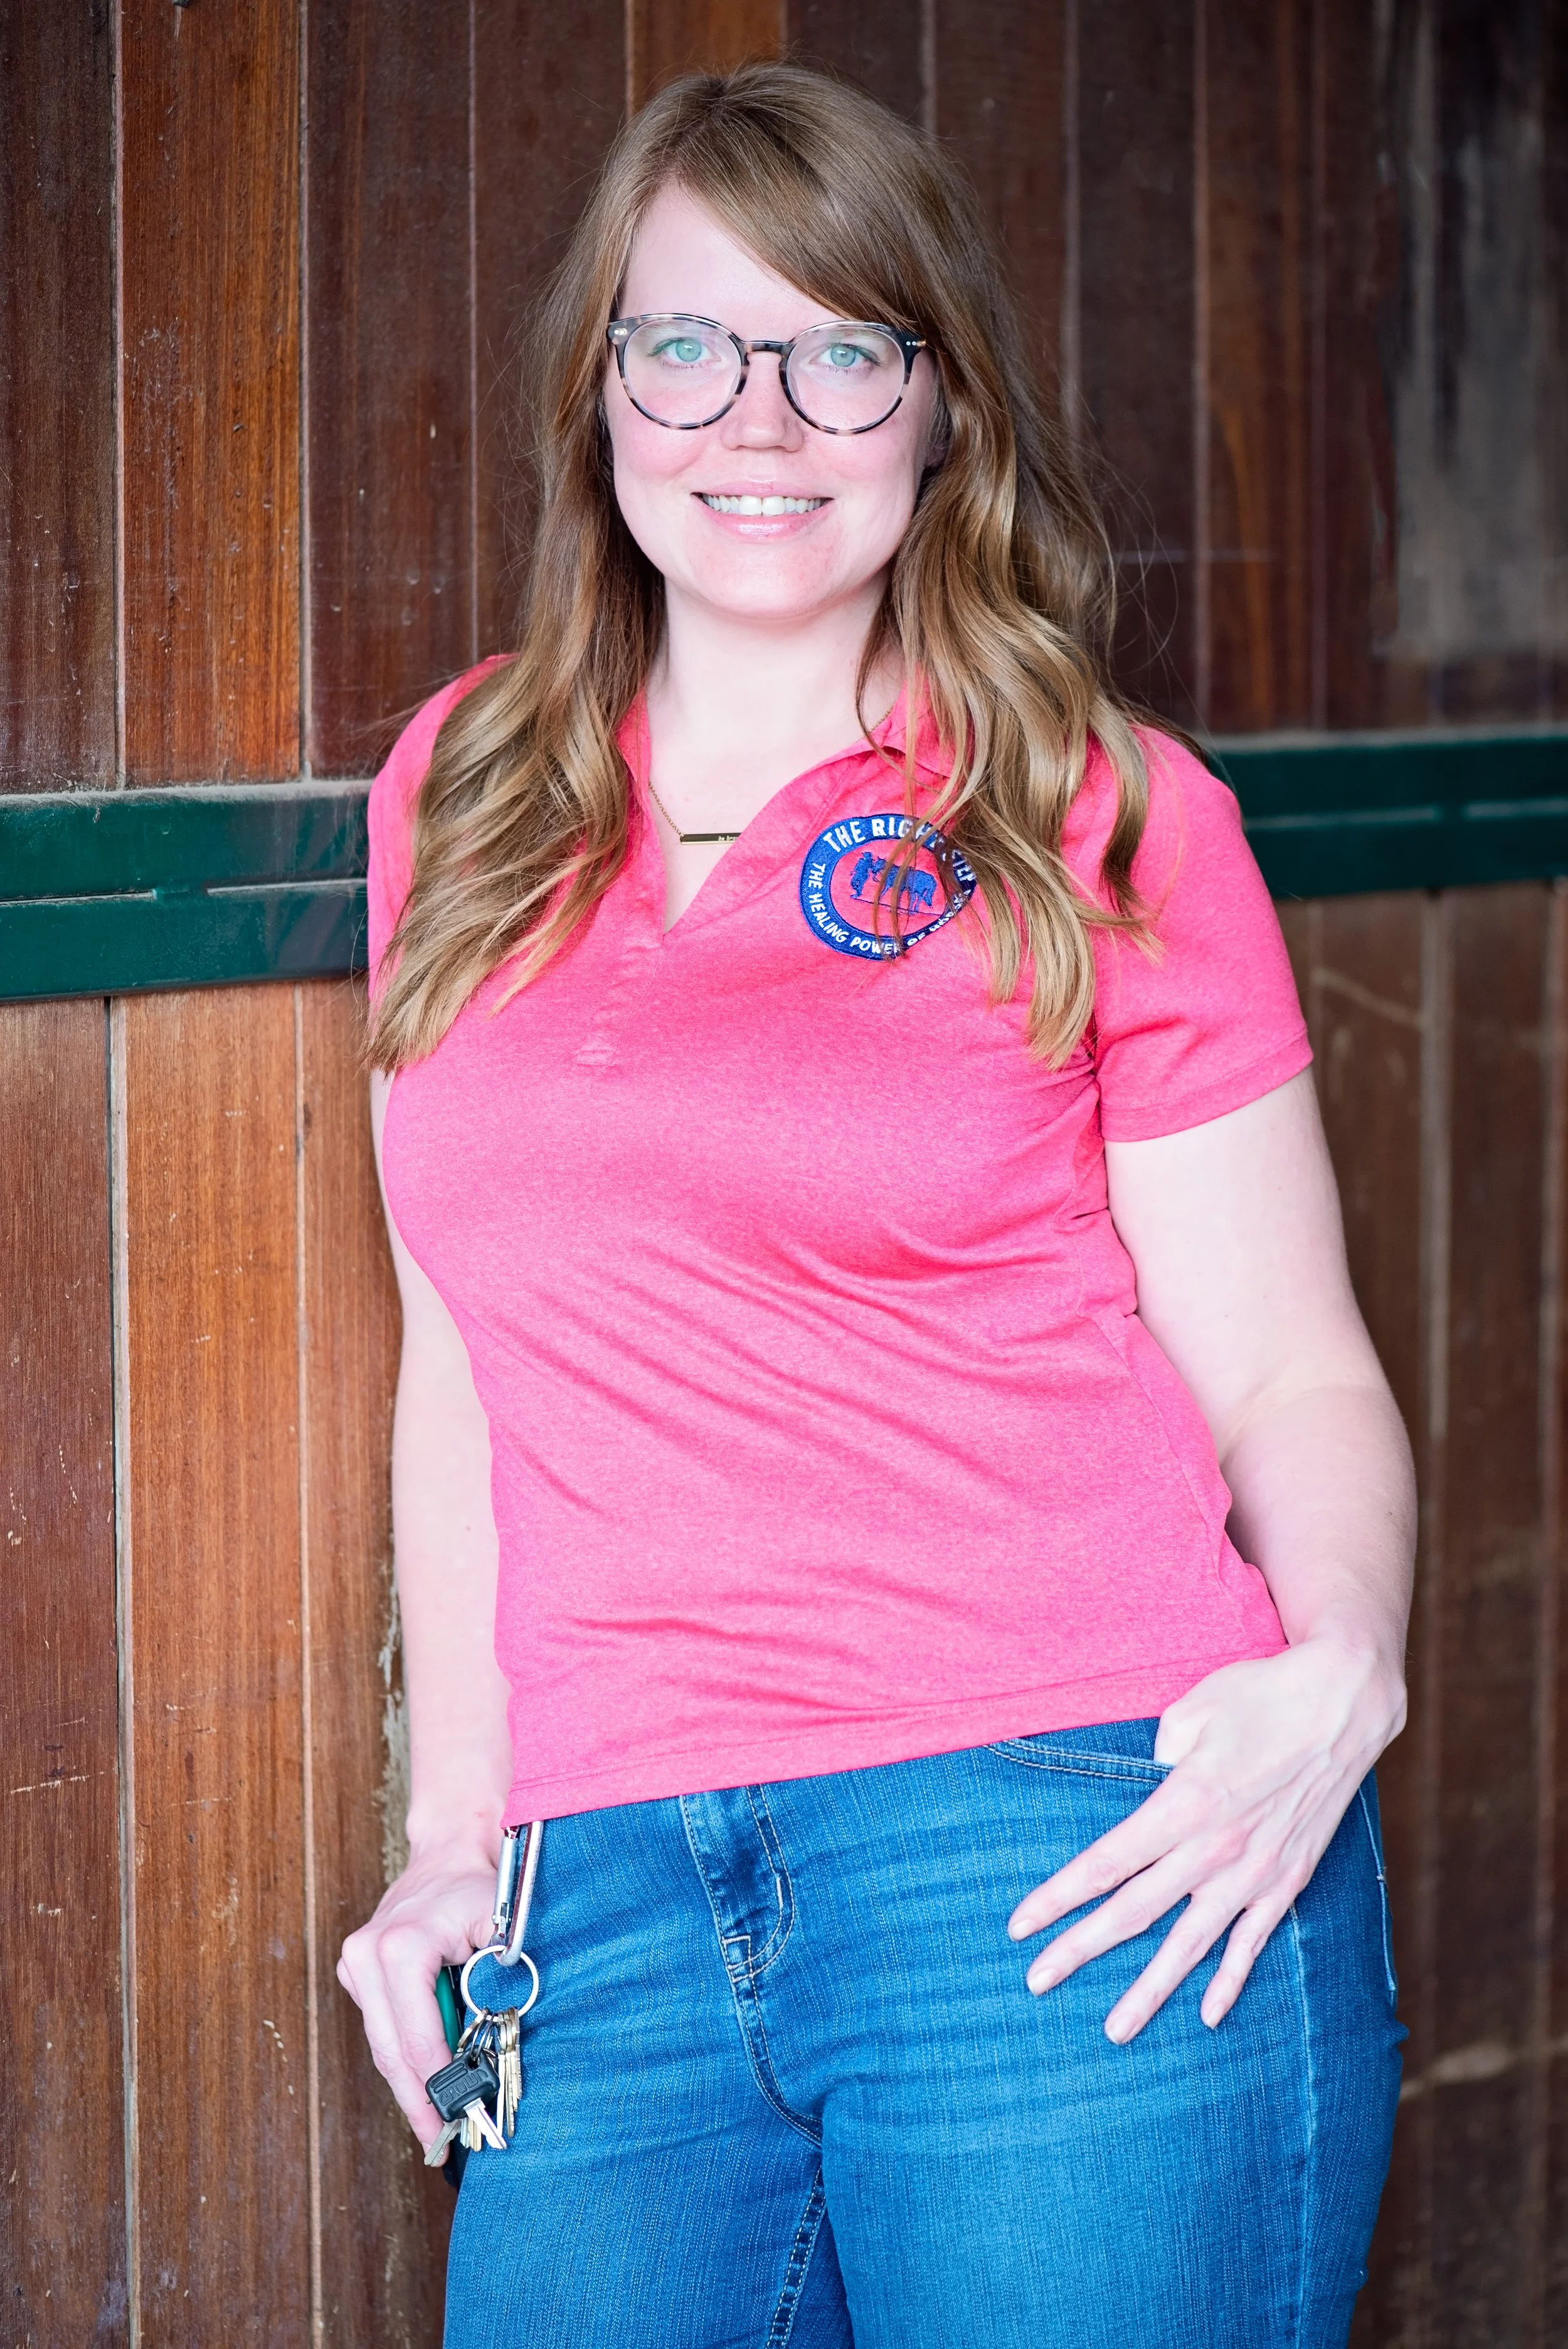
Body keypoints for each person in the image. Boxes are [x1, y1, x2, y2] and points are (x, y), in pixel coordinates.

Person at [337, 61, 1412, 2349]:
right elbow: (473, 1362)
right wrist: (460, 1840)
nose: (765, 415)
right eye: (689, 344)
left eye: (846, 351)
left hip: (1063, 1852)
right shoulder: (465, 790)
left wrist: (1337, 1662)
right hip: (608, 1895)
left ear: (938, 414)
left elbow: (1293, 1362)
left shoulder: (1095, 809)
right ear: (600, 393)